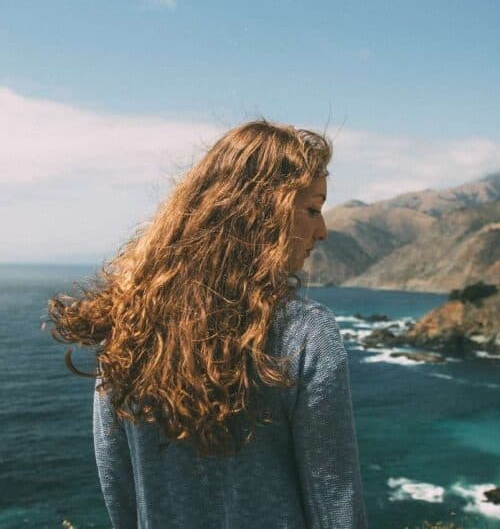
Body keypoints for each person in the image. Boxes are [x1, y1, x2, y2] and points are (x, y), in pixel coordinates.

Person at [48, 119, 369, 528]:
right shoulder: (306, 333)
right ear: (263, 212)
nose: (321, 231)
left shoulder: (126, 325)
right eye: (311, 209)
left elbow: (119, 491)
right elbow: (335, 504)